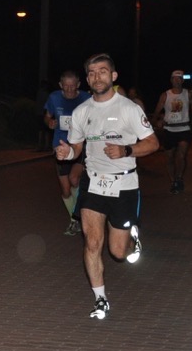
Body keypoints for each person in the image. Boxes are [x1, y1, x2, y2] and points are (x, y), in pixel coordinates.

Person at [56, 53, 159, 320]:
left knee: (117, 252)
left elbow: (153, 143)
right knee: (92, 242)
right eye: (91, 73)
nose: (97, 77)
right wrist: (67, 153)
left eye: (102, 71)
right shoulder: (82, 111)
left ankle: (132, 238)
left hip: (124, 183)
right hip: (93, 182)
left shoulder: (129, 108)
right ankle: (100, 299)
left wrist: (127, 149)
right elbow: (76, 147)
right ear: (87, 79)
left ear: (113, 76)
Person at [44, 70, 90, 235]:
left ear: (78, 85)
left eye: (73, 86)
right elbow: (47, 116)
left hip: (80, 146)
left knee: (74, 179)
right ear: (60, 85)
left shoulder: (86, 98)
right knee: (65, 190)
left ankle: (78, 217)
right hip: (61, 147)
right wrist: (49, 122)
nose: (69, 89)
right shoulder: (54, 98)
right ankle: (74, 219)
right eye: (66, 86)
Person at [153, 69, 192, 194]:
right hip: (169, 129)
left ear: (182, 81)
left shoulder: (188, 94)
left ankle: (179, 179)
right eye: (174, 78)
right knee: (169, 158)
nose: (177, 81)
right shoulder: (165, 95)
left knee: (181, 155)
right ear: (171, 80)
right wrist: (156, 122)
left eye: (179, 78)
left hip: (184, 128)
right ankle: (173, 181)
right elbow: (156, 112)